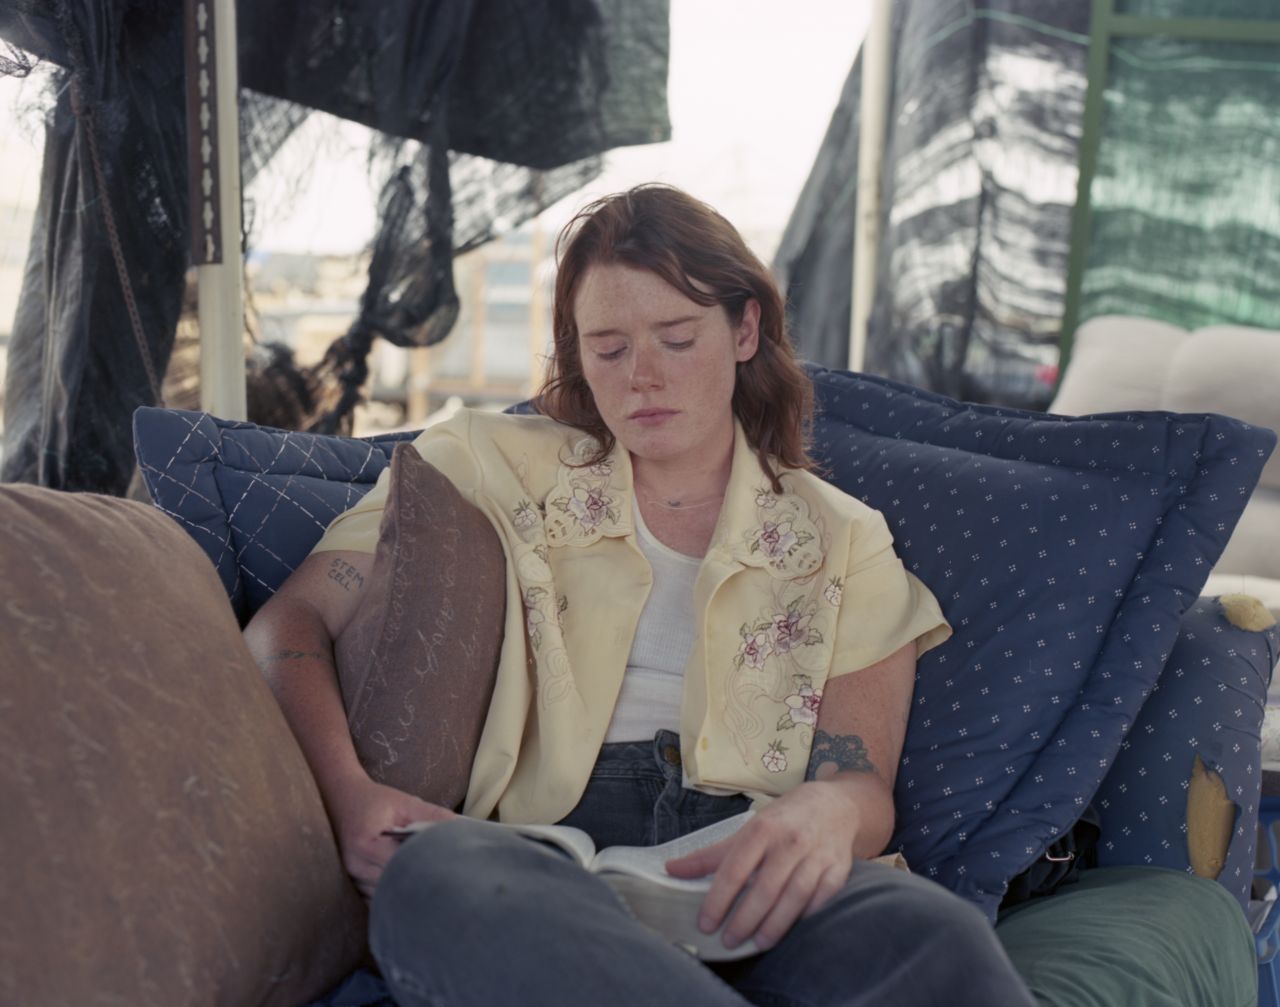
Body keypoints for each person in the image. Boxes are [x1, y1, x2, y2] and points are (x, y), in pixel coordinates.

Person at [244, 184, 1036, 1006]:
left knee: (934, 934)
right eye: (609, 347)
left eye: (677, 338)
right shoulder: (483, 461)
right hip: (537, 866)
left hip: (750, 864)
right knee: (431, 882)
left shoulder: (844, 537)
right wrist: (350, 796)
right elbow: (288, 622)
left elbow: (859, 780)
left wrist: (828, 813)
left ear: (745, 329)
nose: (643, 378)